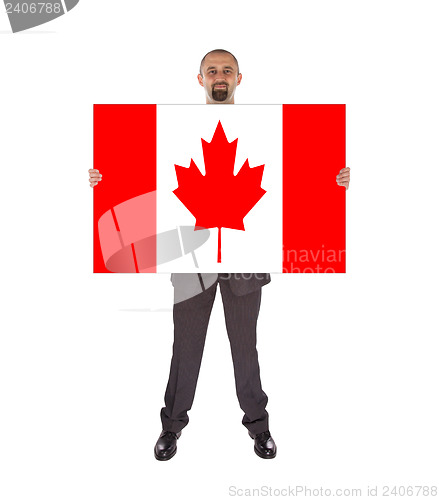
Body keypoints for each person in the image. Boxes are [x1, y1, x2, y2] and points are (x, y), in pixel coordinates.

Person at [89, 49, 351, 461]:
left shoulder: (264, 133)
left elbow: (291, 181)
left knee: (245, 348)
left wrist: (331, 179)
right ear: (200, 80)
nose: (219, 76)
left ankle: (258, 427)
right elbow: (147, 178)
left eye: (226, 70)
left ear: (239, 78)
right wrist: (108, 178)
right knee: (185, 348)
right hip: (191, 264)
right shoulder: (176, 133)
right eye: (212, 70)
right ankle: (171, 426)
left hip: (245, 265)